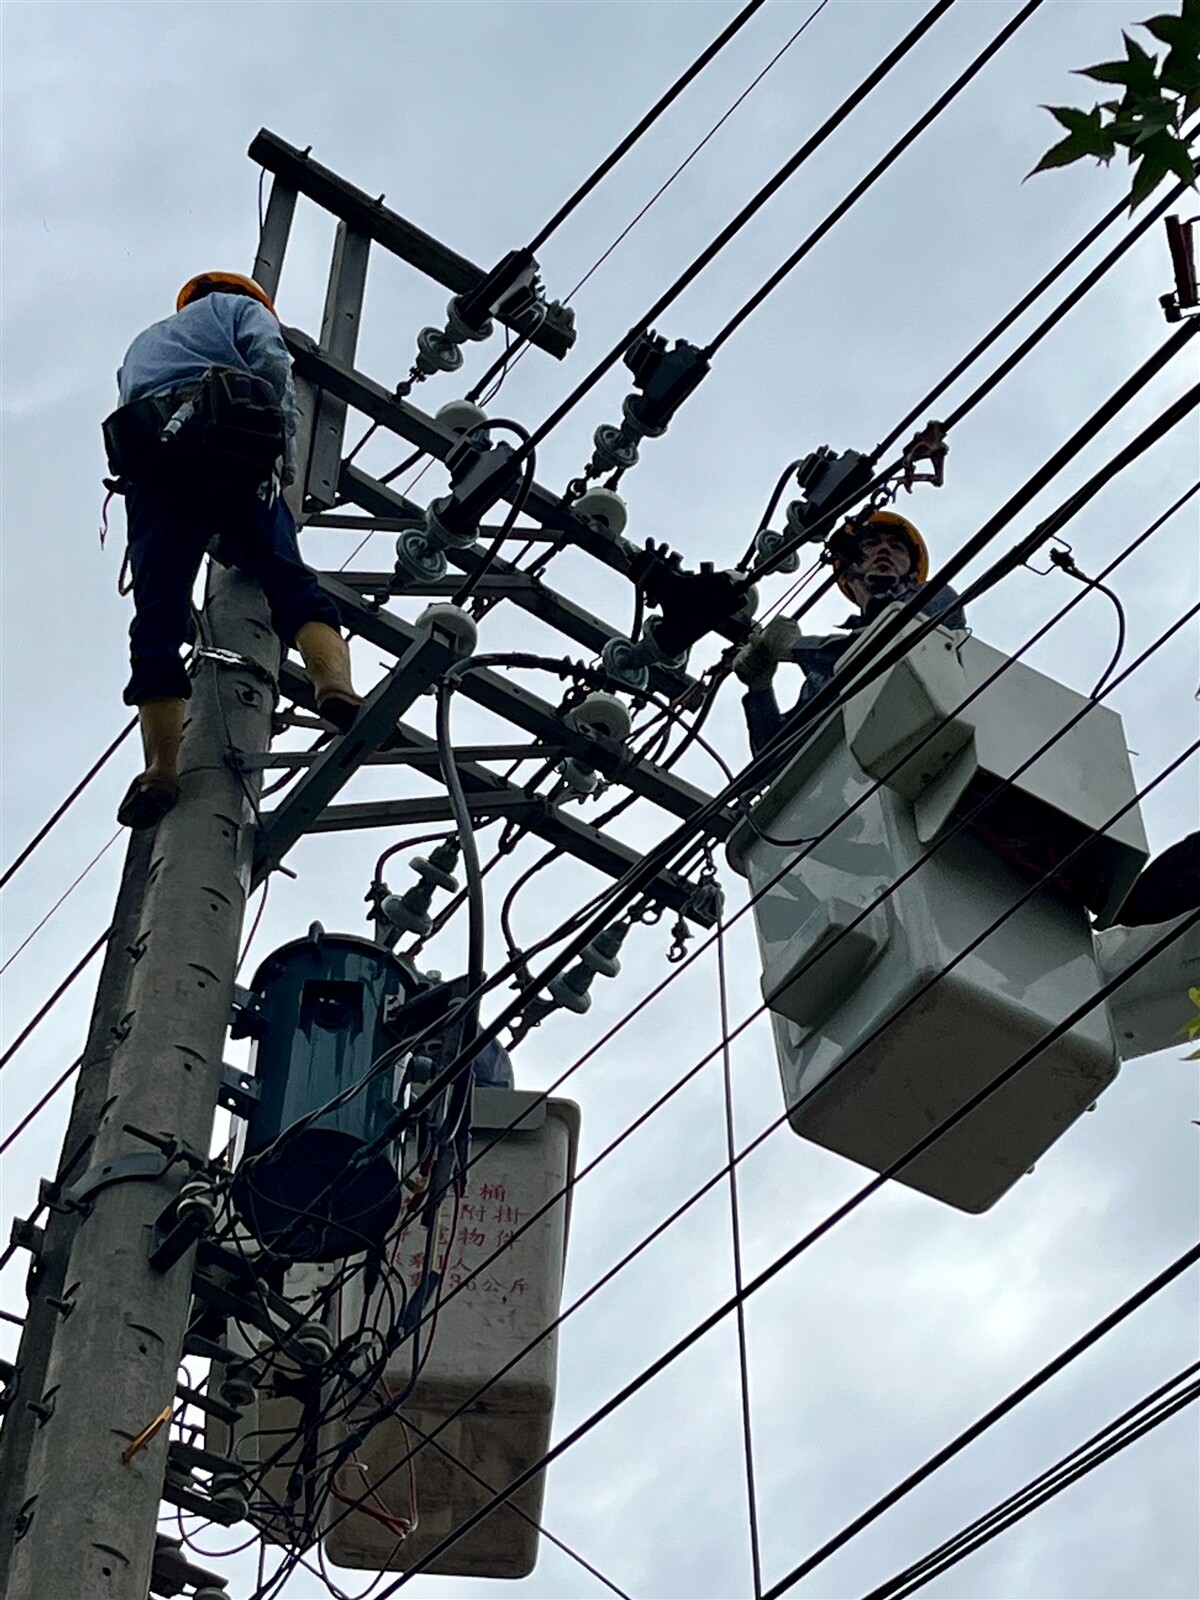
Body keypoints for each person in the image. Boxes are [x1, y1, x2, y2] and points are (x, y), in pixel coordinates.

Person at [105, 270, 362, 829]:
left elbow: (132, 404)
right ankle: (333, 684)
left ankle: (161, 770)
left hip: (155, 470)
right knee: (285, 574)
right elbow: (271, 363)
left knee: (157, 619)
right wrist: (284, 458)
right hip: (230, 449)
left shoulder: (144, 342)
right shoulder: (239, 311)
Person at [734, 510, 966, 754]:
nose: (884, 550)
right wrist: (760, 689)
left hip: (936, 750)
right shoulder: (823, 677)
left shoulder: (937, 598)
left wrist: (795, 646)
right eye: (871, 544)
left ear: (912, 573)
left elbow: (886, 644)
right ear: (845, 571)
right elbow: (771, 759)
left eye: (897, 547)